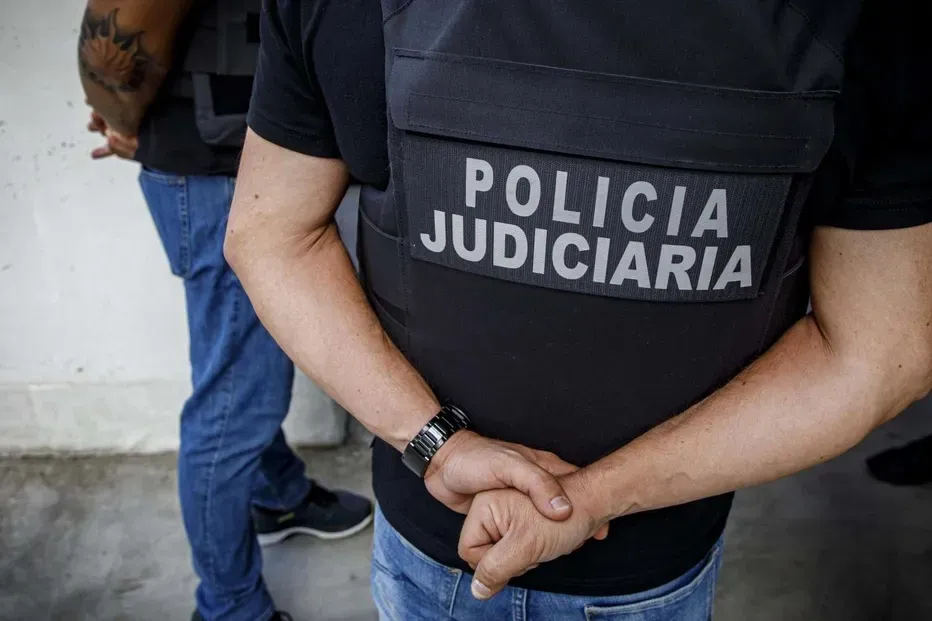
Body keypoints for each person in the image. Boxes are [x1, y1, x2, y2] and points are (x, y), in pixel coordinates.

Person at [229, 1, 932, 619]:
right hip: (555, 554)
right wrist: (568, 490)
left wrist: (445, 448)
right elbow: (878, 351)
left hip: (571, 556)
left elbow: (272, 234)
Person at [76, 2, 374, 620]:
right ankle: (229, 607)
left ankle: (277, 494)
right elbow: (121, 19)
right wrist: (121, 116)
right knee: (235, 406)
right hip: (220, 174)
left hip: (247, 166)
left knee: (235, 376)